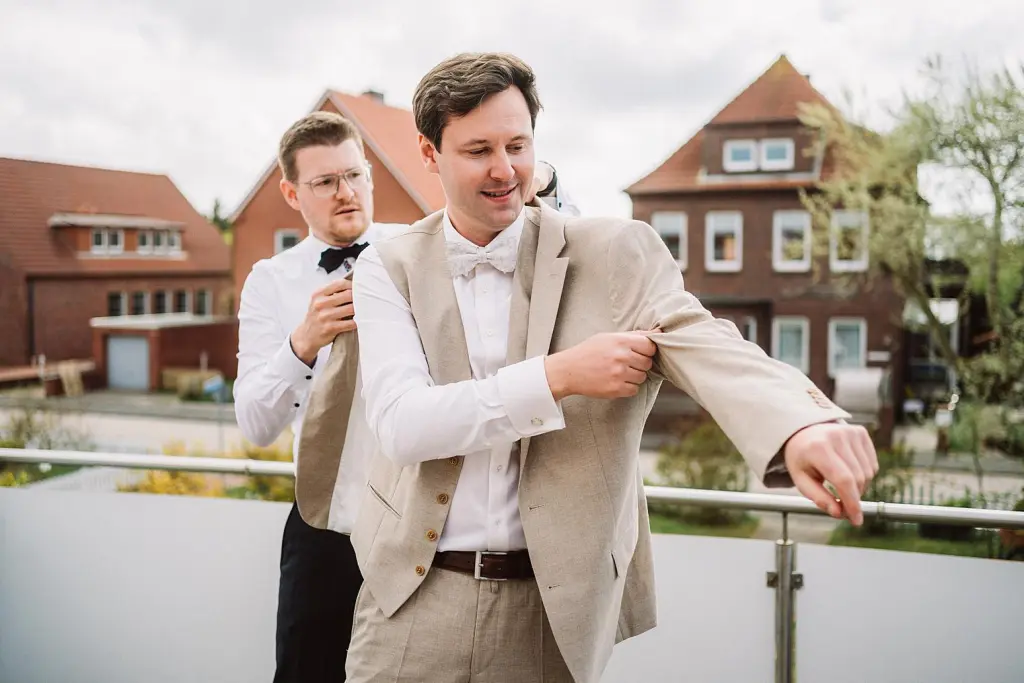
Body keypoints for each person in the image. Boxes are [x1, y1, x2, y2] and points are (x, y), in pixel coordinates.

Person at [324, 52, 880, 683]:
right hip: (408, 600)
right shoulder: (383, 267)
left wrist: (798, 424)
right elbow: (402, 425)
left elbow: (703, 339)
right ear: (430, 154)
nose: (506, 170)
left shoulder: (614, 252)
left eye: (518, 144)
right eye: (478, 150)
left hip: (552, 609)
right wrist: (558, 376)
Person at [232, 110, 577, 682]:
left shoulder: (423, 250)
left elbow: (537, 230)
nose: (346, 193)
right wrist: (302, 344)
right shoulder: (270, 282)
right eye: (324, 182)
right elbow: (254, 424)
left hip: (419, 526)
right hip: (327, 526)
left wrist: (542, 177)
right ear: (292, 194)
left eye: (355, 174)